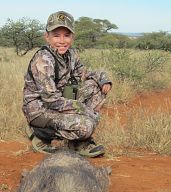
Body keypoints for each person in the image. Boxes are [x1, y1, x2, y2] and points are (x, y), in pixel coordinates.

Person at [23, 11, 112, 157]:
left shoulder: (72, 54)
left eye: (67, 35)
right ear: (47, 37)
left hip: (60, 102)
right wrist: (83, 109)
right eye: (56, 35)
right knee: (86, 126)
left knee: (95, 87)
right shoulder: (43, 60)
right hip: (40, 110)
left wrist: (103, 79)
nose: (62, 40)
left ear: (73, 37)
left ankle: (77, 141)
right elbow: (50, 100)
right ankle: (39, 133)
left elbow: (85, 73)